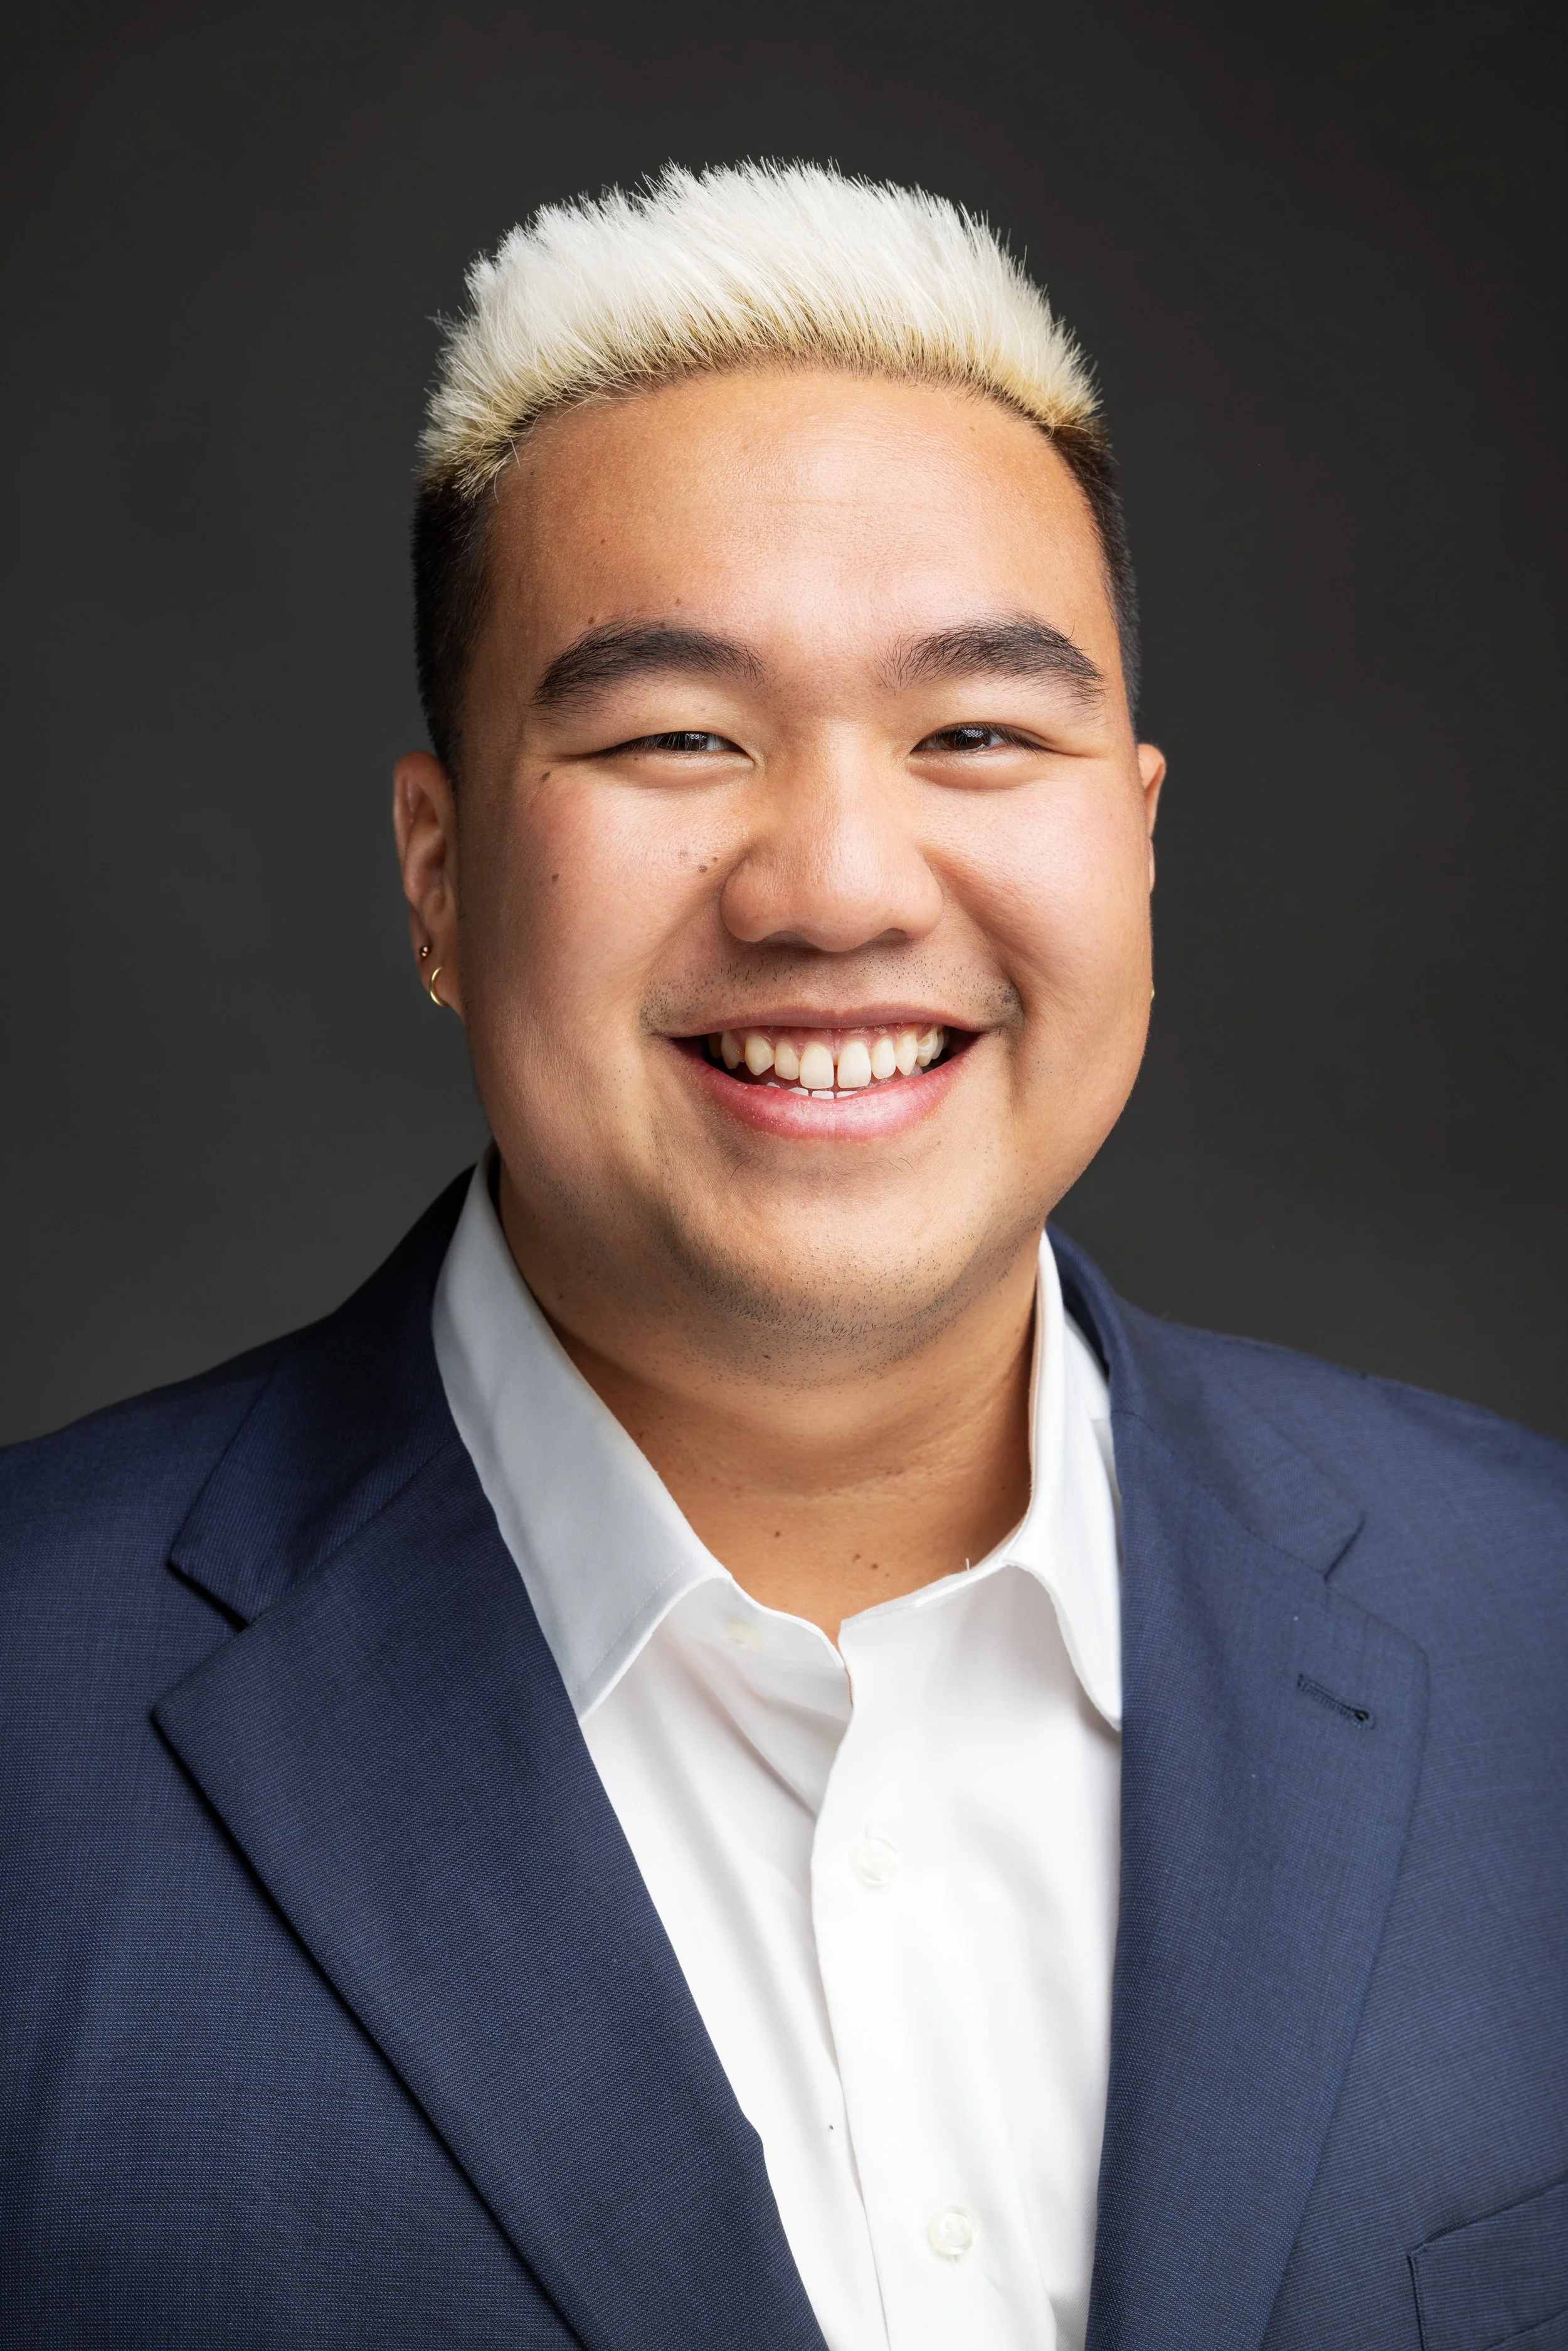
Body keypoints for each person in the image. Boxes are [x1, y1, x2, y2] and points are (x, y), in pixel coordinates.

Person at [1, 161, 1564, 2351]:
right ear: (438, 876)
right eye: (673, 738)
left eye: (975, 735)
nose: (833, 884)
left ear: (1132, 839)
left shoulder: (1532, 1627)